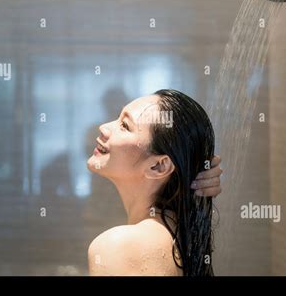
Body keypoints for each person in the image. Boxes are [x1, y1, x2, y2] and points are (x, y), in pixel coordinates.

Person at [87, 89, 221, 276]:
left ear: (159, 166)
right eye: (118, 118)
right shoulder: (185, 238)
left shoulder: (118, 247)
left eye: (125, 125)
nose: (104, 127)